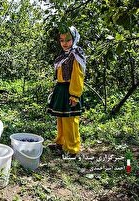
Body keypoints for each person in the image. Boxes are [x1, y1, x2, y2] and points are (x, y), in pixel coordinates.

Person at [47, 26, 86, 157]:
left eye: (68, 40)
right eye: (62, 40)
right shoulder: (64, 55)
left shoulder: (76, 55)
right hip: (61, 89)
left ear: (74, 39)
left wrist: (74, 94)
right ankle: (61, 142)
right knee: (61, 118)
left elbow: (78, 75)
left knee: (70, 120)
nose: (65, 43)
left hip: (70, 90)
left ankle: (72, 149)